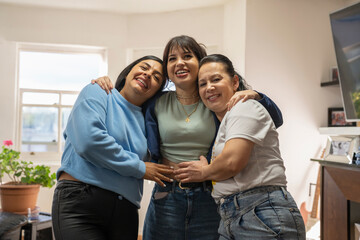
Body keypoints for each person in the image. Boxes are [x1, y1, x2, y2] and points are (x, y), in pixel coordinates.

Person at [92, 35, 283, 240]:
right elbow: (126, 100)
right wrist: (105, 84)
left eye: (187, 56)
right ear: (167, 70)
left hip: (209, 195)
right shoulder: (155, 102)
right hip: (167, 195)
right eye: (172, 59)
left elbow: (274, 119)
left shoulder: (214, 98)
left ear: (199, 62)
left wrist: (256, 95)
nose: (179, 62)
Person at [174, 54, 306, 239]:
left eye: (216, 79)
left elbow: (232, 162)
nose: (209, 87)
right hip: (233, 214)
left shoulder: (245, 106)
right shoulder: (219, 119)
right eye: (202, 84)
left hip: (261, 211)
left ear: (235, 82)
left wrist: (204, 172)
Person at [52, 55, 174, 240]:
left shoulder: (149, 120)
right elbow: (89, 142)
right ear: (130, 71)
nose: (148, 74)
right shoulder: (98, 92)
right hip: (81, 201)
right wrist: (139, 168)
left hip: (126, 210)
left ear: (157, 91)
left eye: (157, 77)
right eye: (144, 67)